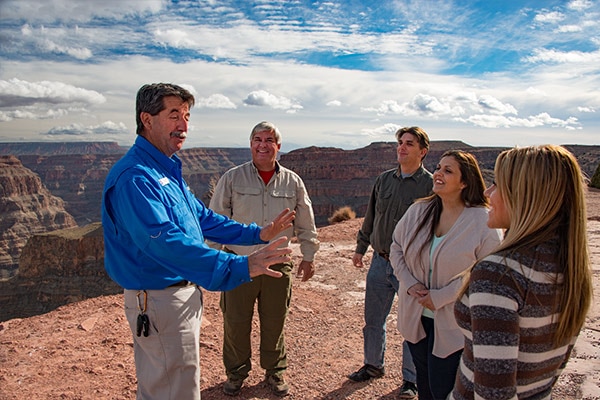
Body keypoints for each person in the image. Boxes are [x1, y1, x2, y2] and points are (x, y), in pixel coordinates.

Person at [102, 83, 296, 400]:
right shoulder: (136, 177)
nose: (184, 125)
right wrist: (239, 266)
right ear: (147, 119)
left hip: (174, 297)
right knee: (173, 390)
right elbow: (166, 242)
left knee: (170, 384)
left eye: (187, 116)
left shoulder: (163, 170)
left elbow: (202, 218)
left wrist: (255, 234)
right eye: (174, 114)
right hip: (160, 299)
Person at [450, 145, 593, 400]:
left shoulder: (499, 274)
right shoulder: (569, 266)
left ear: (523, 196)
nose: (487, 192)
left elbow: (494, 395)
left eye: (497, 184)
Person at [209, 121, 320, 397]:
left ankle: (275, 370)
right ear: (250, 144)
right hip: (239, 263)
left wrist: (309, 255)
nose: (263, 145)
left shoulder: (293, 181)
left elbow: (306, 221)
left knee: (274, 320)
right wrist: (209, 260)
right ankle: (236, 373)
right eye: (257, 139)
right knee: (235, 321)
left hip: (278, 262)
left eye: (269, 140)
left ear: (278, 146)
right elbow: (215, 221)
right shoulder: (232, 178)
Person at [389, 150, 502, 400]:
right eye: (438, 167)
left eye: (448, 170)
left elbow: (486, 271)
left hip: (455, 323)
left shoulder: (482, 221)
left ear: (465, 182)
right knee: (425, 385)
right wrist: (408, 283)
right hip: (416, 316)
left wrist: (442, 296)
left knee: (445, 388)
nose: (438, 173)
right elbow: (395, 246)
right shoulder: (420, 210)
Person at [349, 126, 433, 398]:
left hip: (411, 266)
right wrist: (361, 248)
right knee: (373, 319)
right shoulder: (384, 180)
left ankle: (411, 379)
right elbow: (371, 216)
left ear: (422, 151)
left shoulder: (431, 186)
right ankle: (373, 365)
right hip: (380, 261)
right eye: (400, 142)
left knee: (411, 324)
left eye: (409, 143)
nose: (402, 147)